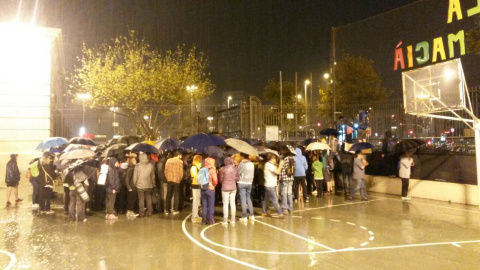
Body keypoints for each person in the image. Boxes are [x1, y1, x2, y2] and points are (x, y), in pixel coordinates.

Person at [262, 153, 285, 218]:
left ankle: (264, 212)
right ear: (272, 158)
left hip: (271, 184)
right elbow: (277, 172)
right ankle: (280, 213)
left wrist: (279, 166)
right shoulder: (268, 165)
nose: (276, 160)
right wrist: (280, 165)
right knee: (274, 199)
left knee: (266, 199)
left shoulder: (271, 165)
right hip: (270, 185)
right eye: (275, 158)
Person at [134, 152, 156, 217]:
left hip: (140, 185)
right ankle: (149, 212)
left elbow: (135, 177)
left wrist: (135, 183)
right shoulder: (150, 165)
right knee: (148, 198)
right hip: (149, 185)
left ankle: (141, 213)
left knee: (141, 199)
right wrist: (153, 184)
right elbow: (153, 176)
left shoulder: (137, 166)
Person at [219, 156, 237, 225]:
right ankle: (233, 219)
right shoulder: (235, 169)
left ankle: (225, 220)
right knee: (233, 203)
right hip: (233, 187)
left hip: (225, 187)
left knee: (225, 204)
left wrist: (222, 182)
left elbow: (220, 179)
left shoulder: (223, 169)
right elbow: (237, 178)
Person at [237, 153, 255, 222]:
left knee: (243, 199)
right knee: (248, 198)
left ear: (242, 156)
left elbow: (238, 172)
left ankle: (244, 216)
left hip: (242, 182)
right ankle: (251, 215)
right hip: (249, 182)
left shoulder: (242, 164)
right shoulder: (251, 164)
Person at [201, 157, 218, 225]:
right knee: (211, 205)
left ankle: (203, 220)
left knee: (204, 205)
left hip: (203, 189)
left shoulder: (202, 169)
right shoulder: (212, 170)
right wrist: (214, 185)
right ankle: (211, 220)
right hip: (210, 189)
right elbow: (215, 180)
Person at [279, 148, 294, 214]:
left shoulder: (284, 159)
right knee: (289, 193)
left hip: (284, 178)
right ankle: (290, 207)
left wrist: (279, 178)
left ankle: (285, 208)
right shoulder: (292, 158)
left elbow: (282, 169)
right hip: (291, 178)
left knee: (284, 193)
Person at [190, 154, 203, 223]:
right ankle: (194, 216)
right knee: (195, 201)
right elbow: (195, 176)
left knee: (198, 201)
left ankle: (196, 215)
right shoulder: (194, 167)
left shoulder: (199, 167)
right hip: (195, 185)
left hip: (199, 185)